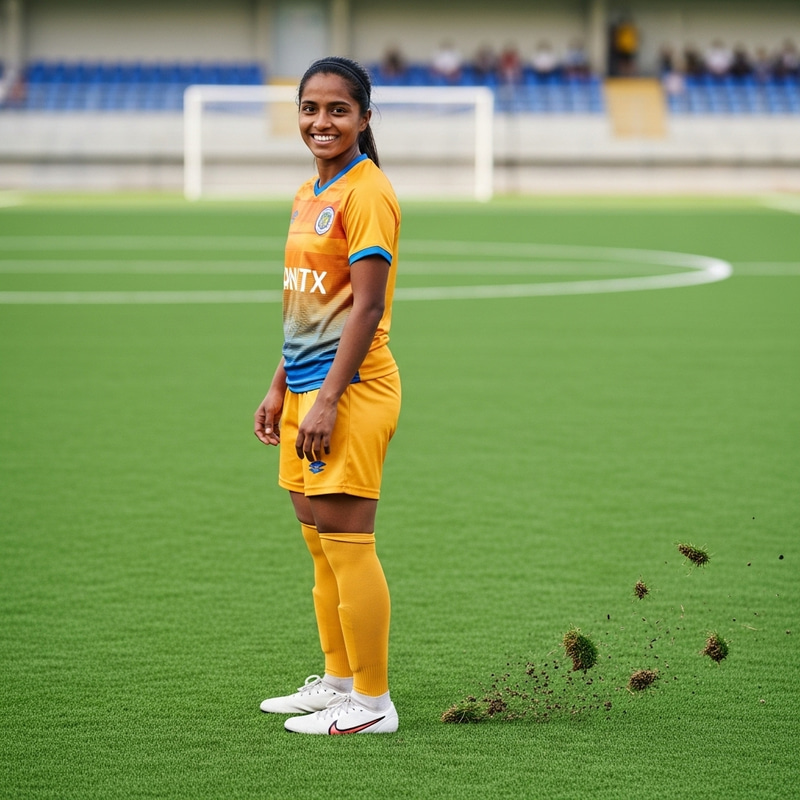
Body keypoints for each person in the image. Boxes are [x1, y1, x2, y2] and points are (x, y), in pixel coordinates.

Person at [254, 56, 402, 735]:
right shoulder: (309, 193)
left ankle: (371, 704)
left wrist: (328, 399)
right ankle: (338, 682)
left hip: (350, 391)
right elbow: (308, 306)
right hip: (306, 390)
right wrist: (280, 384)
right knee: (320, 545)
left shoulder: (367, 192)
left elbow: (366, 308)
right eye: (310, 108)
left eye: (338, 109)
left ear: (364, 118)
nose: (322, 121)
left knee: (348, 544)